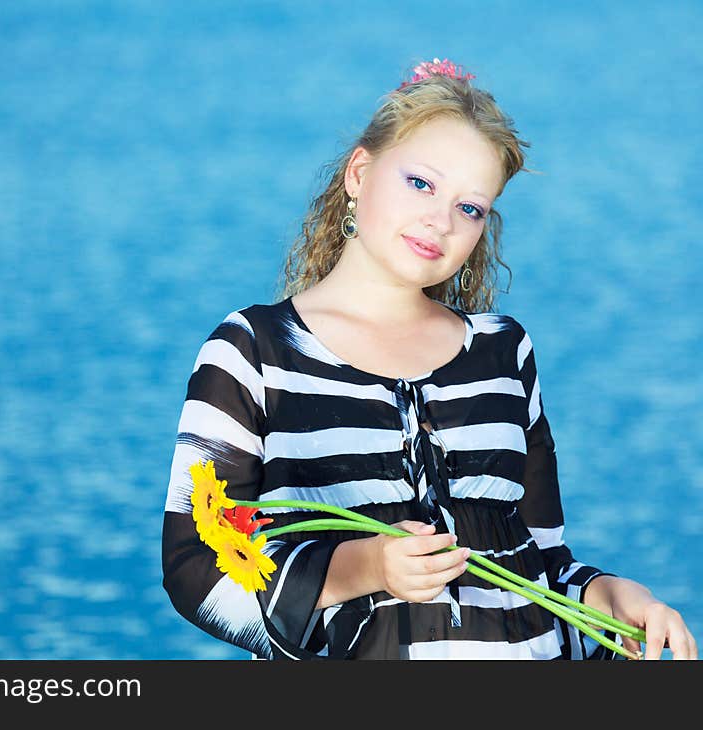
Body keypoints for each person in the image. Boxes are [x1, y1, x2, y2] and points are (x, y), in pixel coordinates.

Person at [161, 57, 697, 660]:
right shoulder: (254, 351)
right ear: (359, 173)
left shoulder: (504, 351)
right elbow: (194, 572)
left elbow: (541, 562)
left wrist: (613, 600)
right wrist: (362, 567)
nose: (440, 221)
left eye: (470, 208)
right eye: (421, 183)